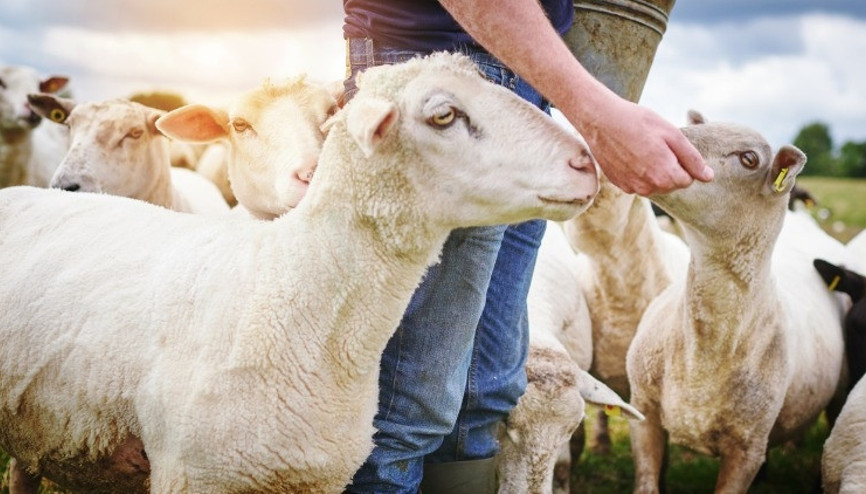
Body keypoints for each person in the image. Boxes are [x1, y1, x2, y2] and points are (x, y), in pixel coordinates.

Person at [341, 1, 714, 492]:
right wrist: (596, 112)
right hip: (434, 82)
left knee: (485, 392)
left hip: (524, 80)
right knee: (407, 404)